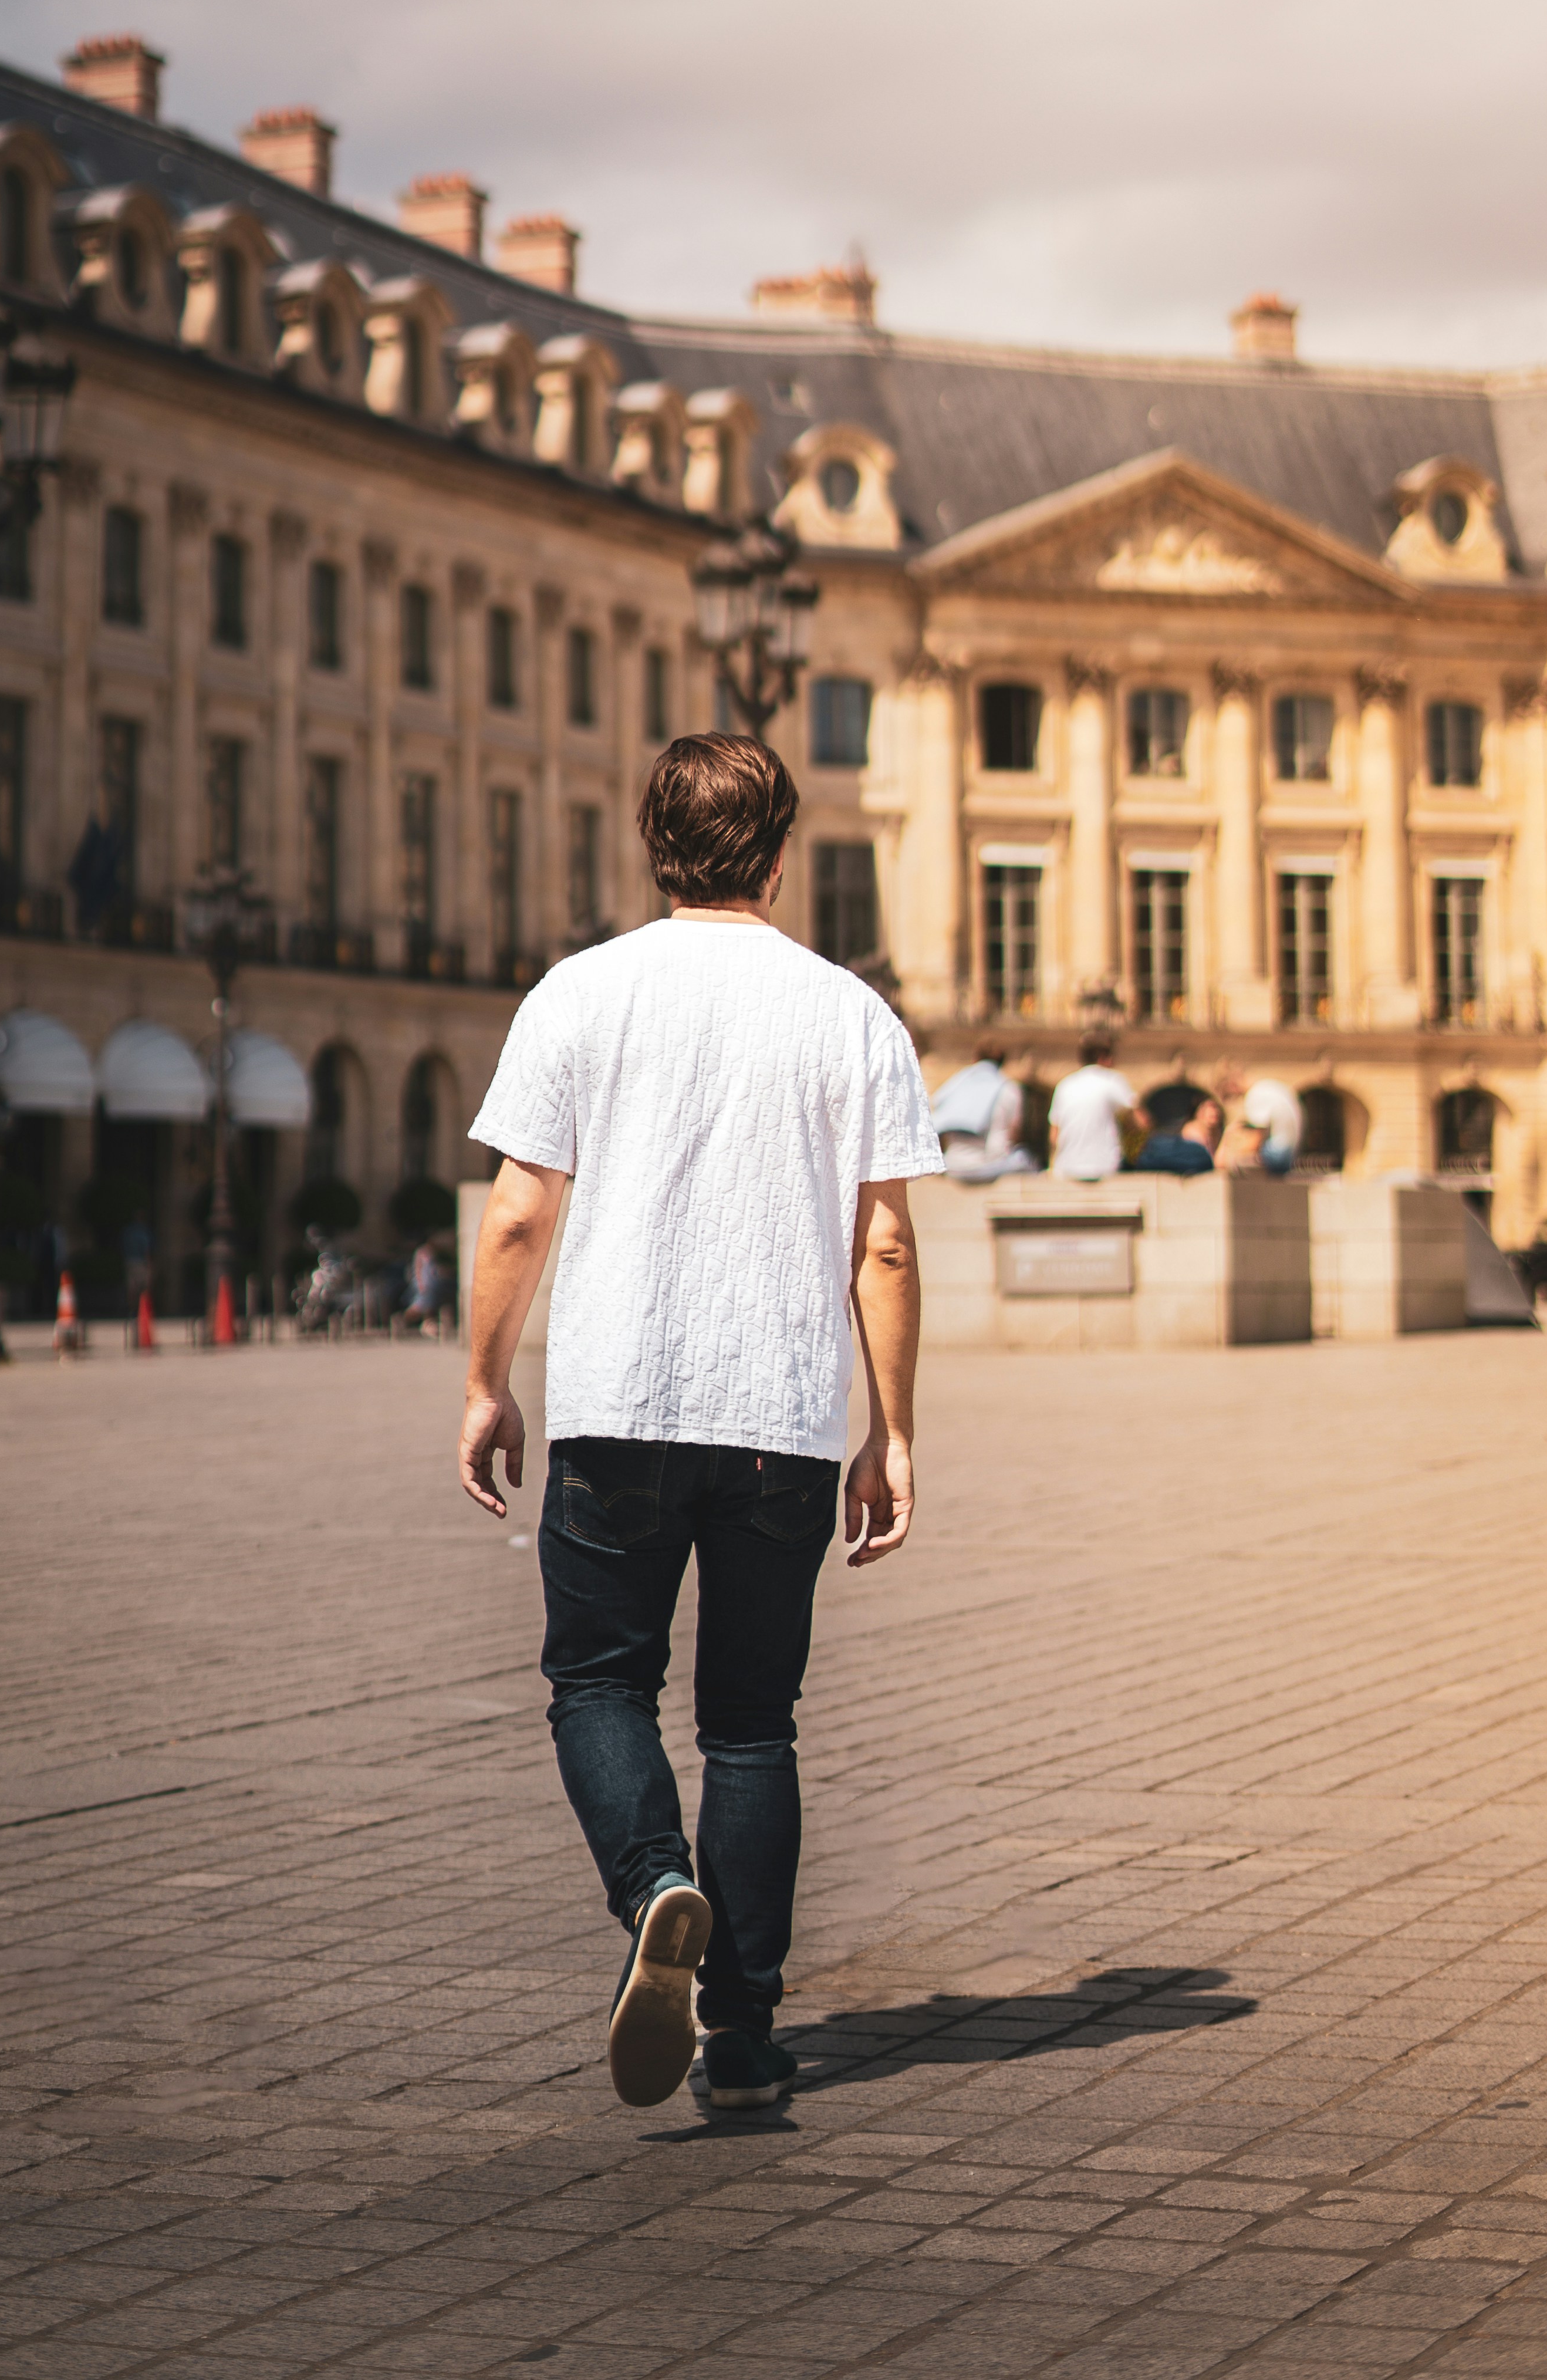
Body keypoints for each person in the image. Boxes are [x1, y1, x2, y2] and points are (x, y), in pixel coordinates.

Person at [458, 734, 942, 2114]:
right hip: (777, 1422)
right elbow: (886, 1250)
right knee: (750, 1723)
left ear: (650, 843)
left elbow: (516, 1210)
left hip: (618, 1407)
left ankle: (656, 1888)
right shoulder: (849, 1013)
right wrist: (890, 1430)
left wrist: (488, 1383)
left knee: (599, 1684)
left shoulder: (580, 993)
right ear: (783, 856)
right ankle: (741, 2036)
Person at [929, 1042, 1035, 1181]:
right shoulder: (1009, 1089)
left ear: (975, 1060)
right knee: (1025, 1158)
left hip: (953, 1166)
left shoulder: (957, 1085)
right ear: (1003, 1063)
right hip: (989, 1165)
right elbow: (1015, 1132)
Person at [1047, 1035, 1135, 1181]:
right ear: (1103, 1058)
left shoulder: (1064, 1085)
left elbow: (1054, 1135)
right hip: (1106, 1167)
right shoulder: (1112, 1080)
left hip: (1067, 1168)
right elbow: (1141, 1121)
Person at [1135, 1099, 1223, 1176]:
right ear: (1198, 1113)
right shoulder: (1193, 1130)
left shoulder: (1215, 1133)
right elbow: (1203, 1160)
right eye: (1209, 1111)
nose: (1215, 1113)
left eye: (1216, 1110)